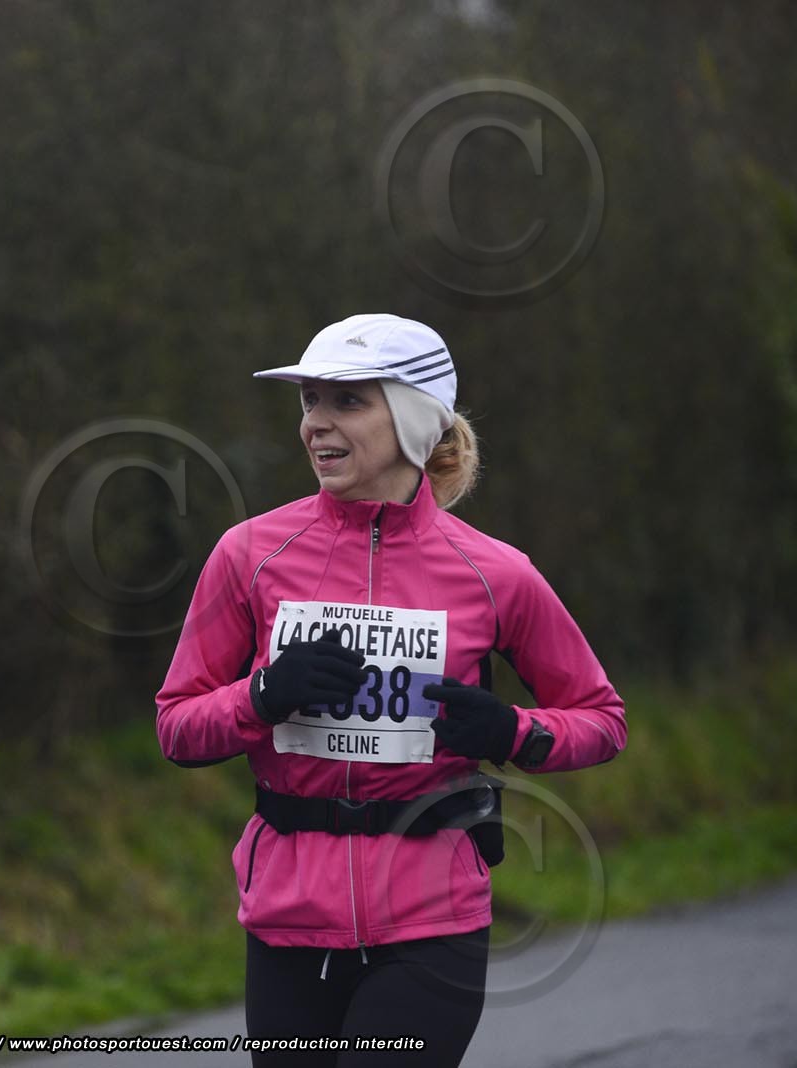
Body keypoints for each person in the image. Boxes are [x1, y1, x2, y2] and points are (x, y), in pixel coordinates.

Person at [156, 315, 626, 1067]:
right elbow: (177, 726)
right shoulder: (248, 555)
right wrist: (262, 696)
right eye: (309, 401)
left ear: (413, 417)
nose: (315, 423)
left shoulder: (496, 573)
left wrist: (512, 732)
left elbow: (602, 718)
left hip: (433, 922)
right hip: (288, 919)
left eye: (347, 401)